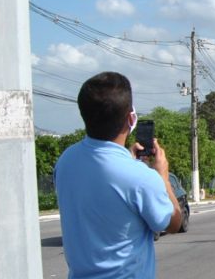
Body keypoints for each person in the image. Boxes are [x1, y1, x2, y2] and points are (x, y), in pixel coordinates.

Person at [55, 71, 183, 279]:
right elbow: (173, 223)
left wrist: (127, 161)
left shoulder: (66, 160)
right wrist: (163, 176)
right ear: (130, 119)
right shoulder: (141, 177)